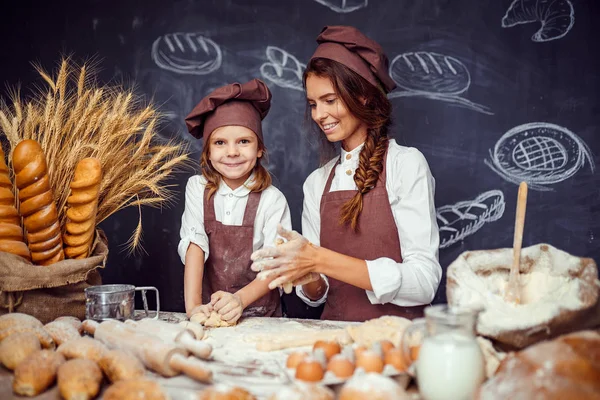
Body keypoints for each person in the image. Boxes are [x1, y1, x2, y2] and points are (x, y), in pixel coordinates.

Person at [251, 26, 441, 322]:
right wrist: (308, 274)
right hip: (334, 342)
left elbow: (424, 283)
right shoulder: (316, 183)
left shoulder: (406, 165)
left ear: (363, 96)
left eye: (330, 100)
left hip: (396, 342)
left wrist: (319, 258)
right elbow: (319, 294)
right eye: (313, 104)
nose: (318, 115)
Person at [179, 78, 291, 324]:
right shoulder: (197, 189)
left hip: (263, 318)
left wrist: (239, 300)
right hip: (211, 312)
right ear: (208, 152)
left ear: (259, 148)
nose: (232, 152)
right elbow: (195, 245)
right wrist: (194, 308)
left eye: (244, 141)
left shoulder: (272, 200)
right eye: (220, 143)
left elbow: (276, 265)